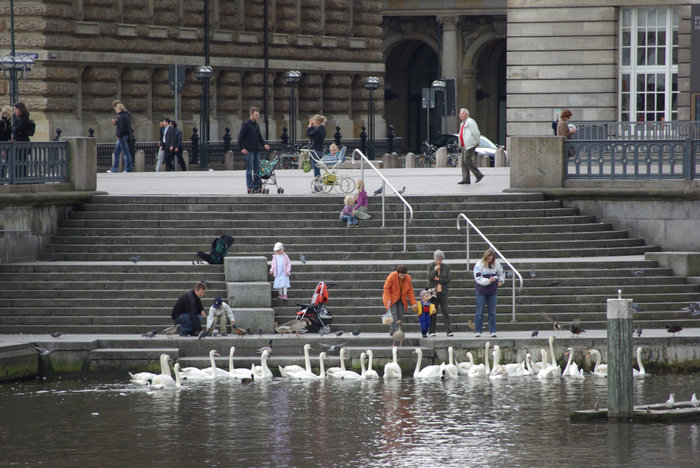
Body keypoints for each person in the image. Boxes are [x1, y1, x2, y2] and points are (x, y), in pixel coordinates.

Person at [473, 248, 505, 338]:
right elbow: (478, 279)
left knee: (492, 311)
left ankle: (493, 331)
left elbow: (502, 273)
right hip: (481, 290)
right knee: (480, 311)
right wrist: (489, 281)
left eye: (491, 259)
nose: (490, 260)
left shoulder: (497, 264)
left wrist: (501, 281)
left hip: (492, 290)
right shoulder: (479, 265)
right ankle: (478, 330)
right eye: (488, 258)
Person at [238, 106, 270, 193]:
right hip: (249, 150)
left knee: (257, 169)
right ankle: (249, 186)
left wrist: (264, 144)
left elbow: (259, 136)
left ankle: (256, 185)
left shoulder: (256, 125)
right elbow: (240, 137)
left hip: (256, 150)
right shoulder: (246, 124)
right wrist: (241, 148)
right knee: (250, 169)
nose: (257, 117)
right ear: (251, 115)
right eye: (256, 115)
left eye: (258, 115)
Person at [382, 265, 417, 336]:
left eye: (404, 275)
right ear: (398, 273)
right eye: (401, 275)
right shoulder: (391, 276)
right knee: (394, 314)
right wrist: (387, 300)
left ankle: (393, 330)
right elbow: (386, 289)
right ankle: (398, 332)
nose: (402, 277)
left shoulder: (408, 278)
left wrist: (413, 302)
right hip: (391, 298)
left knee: (400, 314)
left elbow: (410, 291)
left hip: (401, 298)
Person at [427, 249, 454, 337]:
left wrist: (439, 280)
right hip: (433, 292)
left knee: (445, 311)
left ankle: (449, 330)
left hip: (443, 292)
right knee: (433, 311)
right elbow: (429, 276)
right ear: (434, 258)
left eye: (440, 259)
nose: (439, 261)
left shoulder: (446, 267)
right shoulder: (430, 265)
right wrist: (435, 269)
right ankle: (432, 331)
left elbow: (448, 279)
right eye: (437, 259)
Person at [457, 108, 484, 185]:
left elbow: (476, 133)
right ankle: (466, 179)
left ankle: (478, 175)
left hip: (470, 144)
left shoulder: (470, 122)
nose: (460, 115)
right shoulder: (462, 123)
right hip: (464, 145)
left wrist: (477, 142)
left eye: (462, 114)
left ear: (466, 115)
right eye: (460, 114)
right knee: (463, 162)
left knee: (467, 160)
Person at [107, 103, 134, 173]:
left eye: (116, 109)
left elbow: (121, 127)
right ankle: (114, 168)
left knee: (125, 152)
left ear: (119, 109)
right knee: (116, 152)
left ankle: (128, 168)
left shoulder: (121, 116)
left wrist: (119, 135)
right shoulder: (125, 115)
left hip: (122, 136)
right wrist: (116, 122)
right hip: (123, 135)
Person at [11, 102, 32, 179]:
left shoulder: (25, 118)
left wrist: (16, 130)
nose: (14, 111)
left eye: (15, 109)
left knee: (22, 160)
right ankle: (17, 177)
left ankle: (22, 177)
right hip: (17, 143)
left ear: (20, 109)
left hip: (23, 143)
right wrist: (15, 130)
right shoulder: (18, 118)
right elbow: (14, 129)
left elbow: (17, 129)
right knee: (17, 160)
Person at [306, 114, 326, 180]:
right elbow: (313, 132)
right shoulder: (322, 129)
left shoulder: (318, 130)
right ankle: (318, 186)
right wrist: (312, 126)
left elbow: (308, 134)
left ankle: (317, 187)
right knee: (317, 168)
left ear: (316, 121)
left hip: (315, 151)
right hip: (320, 150)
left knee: (316, 170)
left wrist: (309, 125)